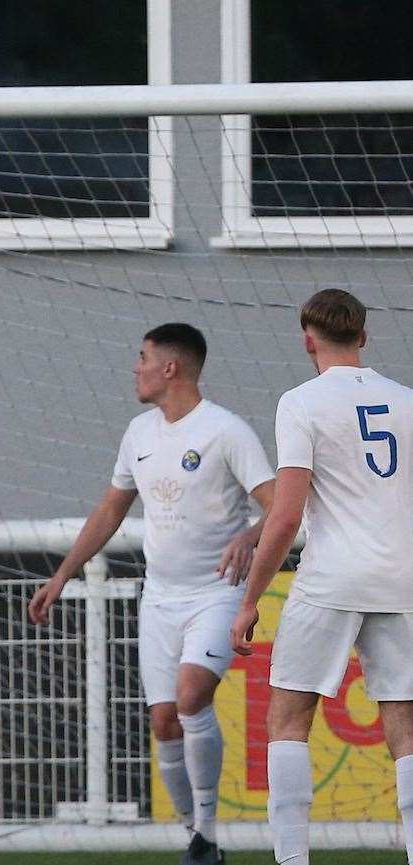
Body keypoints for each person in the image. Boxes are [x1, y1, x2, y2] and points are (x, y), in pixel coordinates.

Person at [29, 323, 275, 865]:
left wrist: (248, 536)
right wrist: (62, 573)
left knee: (191, 698)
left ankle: (206, 833)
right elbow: (111, 510)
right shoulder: (139, 432)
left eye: (142, 358)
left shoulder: (226, 431)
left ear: (170, 368)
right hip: (159, 599)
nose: (134, 368)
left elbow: (281, 504)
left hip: (216, 593)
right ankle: (197, 833)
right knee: (163, 720)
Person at [231, 289, 413, 865]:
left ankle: (292, 860)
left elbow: (285, 516)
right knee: (407, 733)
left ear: (308, 339)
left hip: (332, 577)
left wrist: (250, 599)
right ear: (363, 337)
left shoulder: (301, 403)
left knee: (287, 719)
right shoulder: (408, 401)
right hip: (402, 579)